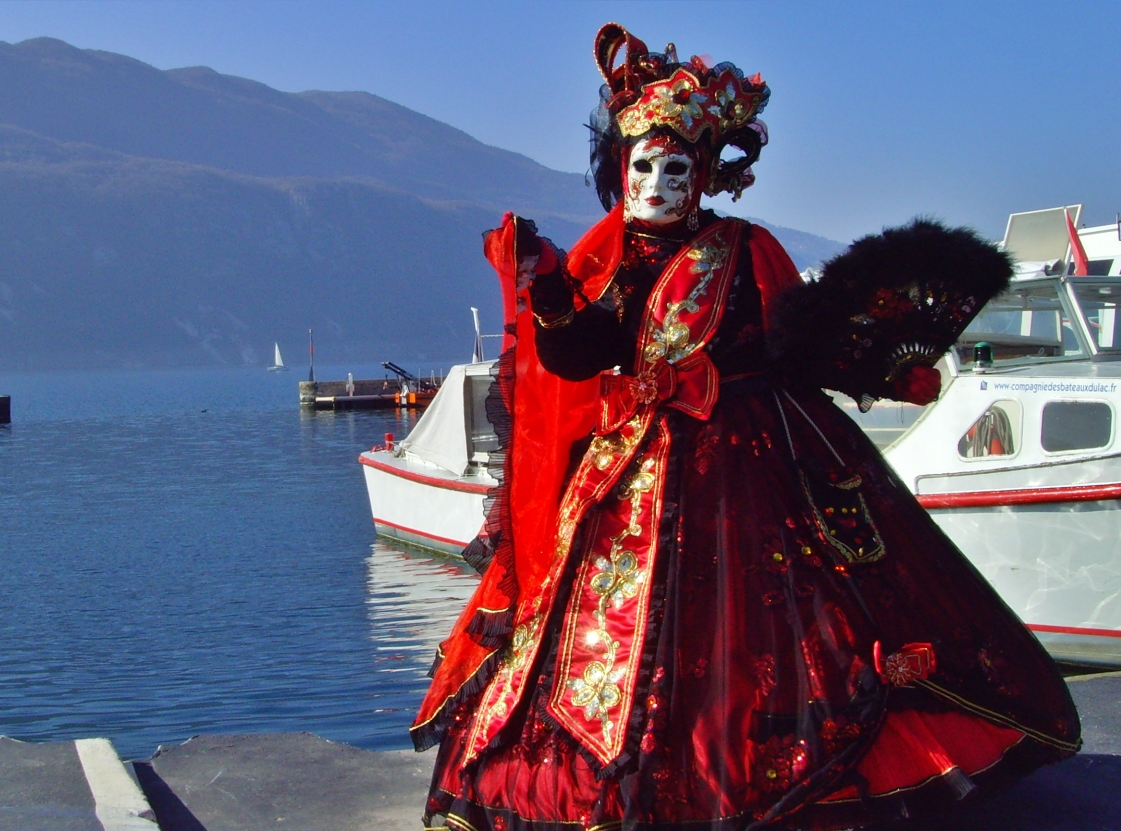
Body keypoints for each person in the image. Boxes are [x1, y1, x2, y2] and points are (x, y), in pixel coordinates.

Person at [412, 23, 1079, 831]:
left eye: (676, 168)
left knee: (762, 628)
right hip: (634, 466)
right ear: (621, 172)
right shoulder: (620, 259)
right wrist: (548, 285)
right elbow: (582, 356)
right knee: (610, 634)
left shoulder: (745, 248)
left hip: (752, 460)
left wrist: (877, 368)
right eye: (643, 167)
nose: (657, 183)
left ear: (704, 177)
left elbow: (799, 344)